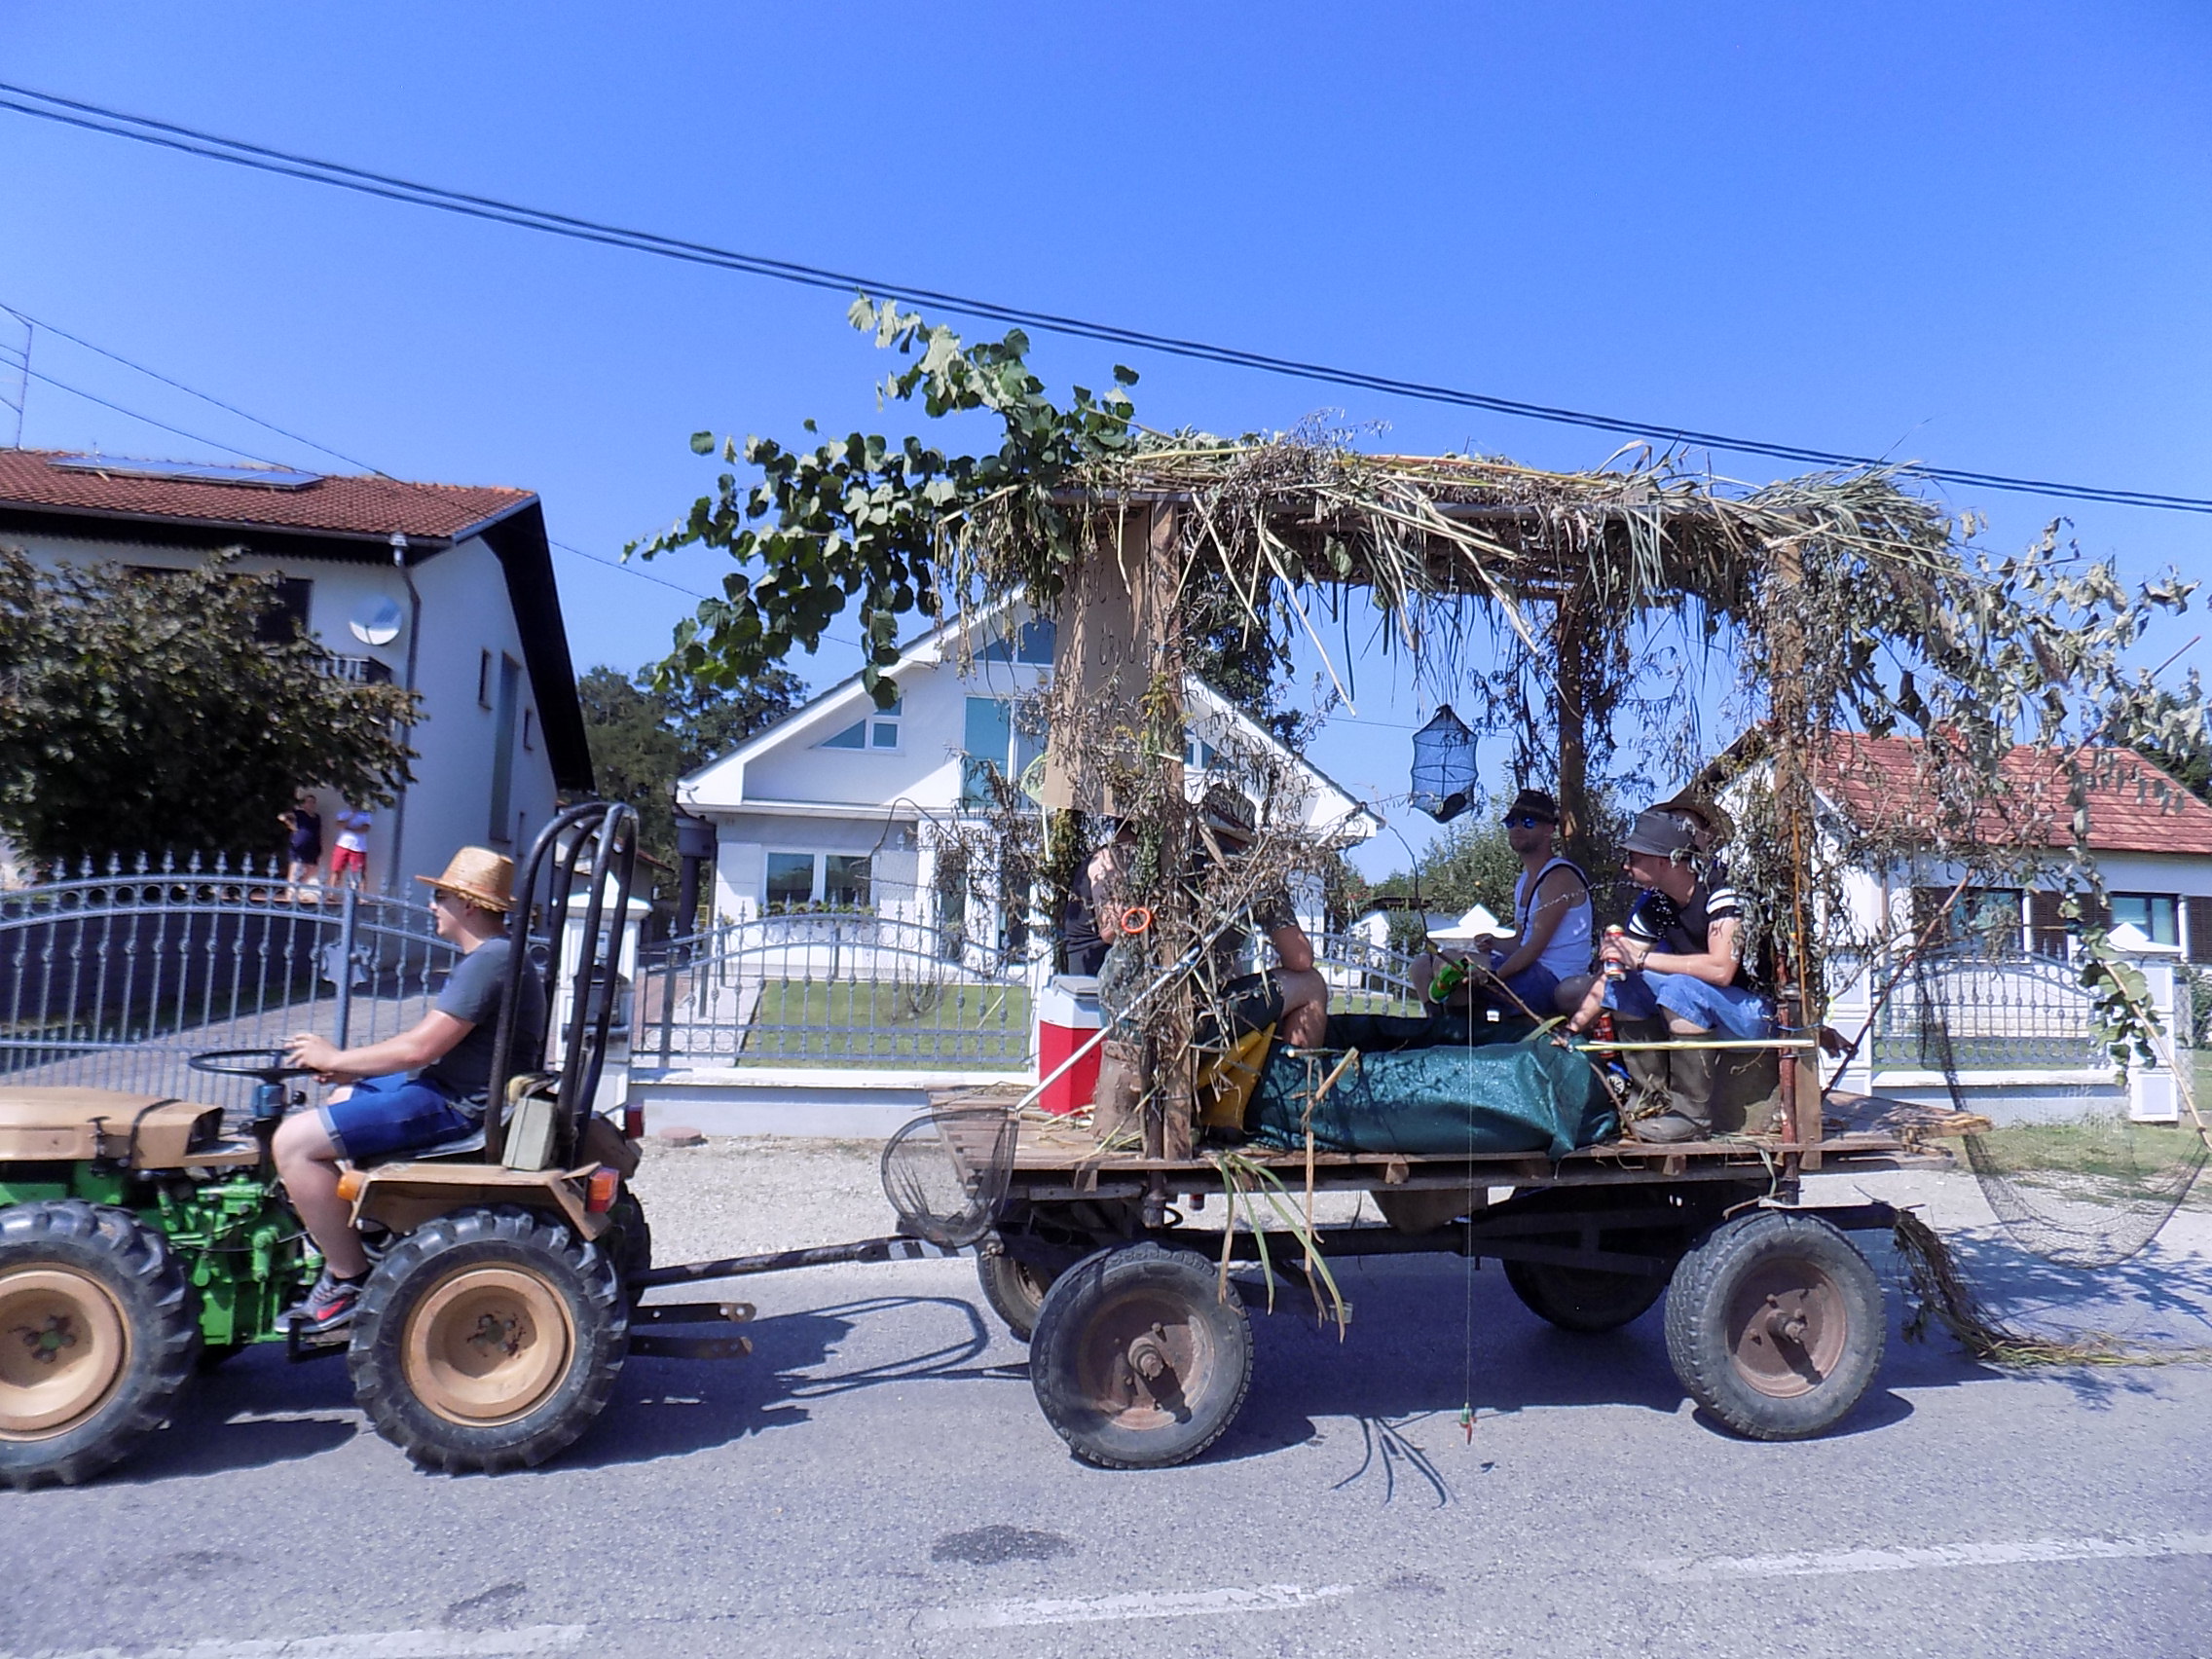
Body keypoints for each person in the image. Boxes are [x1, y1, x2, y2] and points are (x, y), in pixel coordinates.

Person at [274, 847, 546, 1332]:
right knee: (341, 1098)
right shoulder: (496, 956)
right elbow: (422, 1048)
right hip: (455, 1087)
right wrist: (350, 1072)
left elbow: (420, 1048)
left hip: (459, 1104)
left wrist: (336, 1058)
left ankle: (347, 1278)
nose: (431, 906)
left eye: (438, 896)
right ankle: (367, 1228)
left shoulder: (491, 961)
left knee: (292, 1143)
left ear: (468, 905)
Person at [1564, 808, 1772, 1142]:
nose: (1626, 866)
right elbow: (1616, 971)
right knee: (1625, 982)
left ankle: (1692, 1115)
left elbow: (1721, 969)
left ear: (1664, 861)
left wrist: (1642, 959)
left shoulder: (1723, 891)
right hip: (1711, 1005)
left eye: (1634, 857)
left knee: (1679, 989)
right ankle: (1650, 1099)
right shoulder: (1657, 903)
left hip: (1753, 1013)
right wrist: (1570, 1030)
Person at [1410, 788, 1592, 1020]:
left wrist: (1492, 975)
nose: (1517, 827)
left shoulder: (1559, 877)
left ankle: (1460, 1038)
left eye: (1527, 822)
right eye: (1510, 822)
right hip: (1530, 971)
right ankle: (1440, 1026)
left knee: (1454, 965)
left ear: (1549, 829)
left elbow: (1533, 948)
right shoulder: (1525, 880)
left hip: (1553, 978)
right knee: (1422, 966)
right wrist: (1494, 942)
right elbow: (1520, 941)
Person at [279, 793, 322, 899]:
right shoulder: (299, 814)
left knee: (311, 870)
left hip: (312, 846)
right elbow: (282, 816)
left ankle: (299, 889)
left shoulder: (317, 817)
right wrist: (291, 826)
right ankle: (289, 894)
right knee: (294, 869)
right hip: (298, 845)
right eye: (308, 802)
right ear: (303, 804)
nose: (310, 804)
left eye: (312, 802)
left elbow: (318, 831)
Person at [329, 805, 373, 890]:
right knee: (336, 869)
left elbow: (364, 829)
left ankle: (362, 896)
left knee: (360, 872)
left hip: (358, 847)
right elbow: (339, 825)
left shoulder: (365, 815)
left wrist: (349, 829)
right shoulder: (343, 813)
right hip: (342, 845)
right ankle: (332, 894)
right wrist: (351, 815)